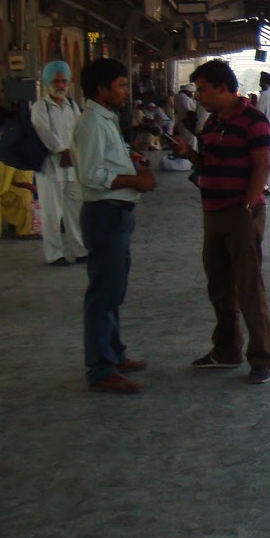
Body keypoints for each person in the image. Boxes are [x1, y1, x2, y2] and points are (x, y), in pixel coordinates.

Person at [170, 59, 270, 384]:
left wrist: (249, 206)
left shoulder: (253, 120)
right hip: (212, 213)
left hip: (240, 213)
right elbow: (208, 163)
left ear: (222, 88)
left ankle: (262, 358)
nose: (198, 96)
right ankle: (227, 350)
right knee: (219, 286)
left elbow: (262, 165)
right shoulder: (212, 123)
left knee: (248, 287)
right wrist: (189, 154)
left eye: (203, 90)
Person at [73, 57, 156, 394]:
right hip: (104, 214)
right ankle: (101, 368)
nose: (126, 91)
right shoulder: (92, 123)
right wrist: (135, 181)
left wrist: (129, 161)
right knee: (103, 293)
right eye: (121, 85)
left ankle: (114, 352)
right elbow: (91, 174)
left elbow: (104, 161)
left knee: (113, 289)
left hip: (116, 214)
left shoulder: (105, 119)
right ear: (101, 89)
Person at [30, 60, 88, 266]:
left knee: (75, 210)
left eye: (64, 81)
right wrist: (63, 150)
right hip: (50, 167)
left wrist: (74, 153)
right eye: (56, 81)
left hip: (72, 166)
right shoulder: (40, 107)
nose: (61, 85)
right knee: (52, 213)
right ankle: (54, 254)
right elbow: (44, 132)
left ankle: (79, 250)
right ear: (47, 82)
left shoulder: (72, 105)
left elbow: (79, 130)